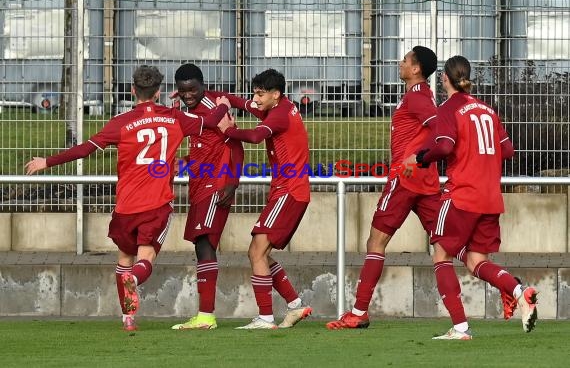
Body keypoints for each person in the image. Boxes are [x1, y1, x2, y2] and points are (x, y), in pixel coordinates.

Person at [25, 65, 231, 332]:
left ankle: (128, 318)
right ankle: (135, 277)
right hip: (156, 204)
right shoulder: (176, 118)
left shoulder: (120, 123)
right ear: (159, 92)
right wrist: (224, 105)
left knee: (124, 258)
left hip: (125, 206)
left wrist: (47, 161)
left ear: (133, 90)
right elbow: (212, 121)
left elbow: (85, 149)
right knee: (145, 259)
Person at [404, 55, 538, 339]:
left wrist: (421, 158)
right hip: (490, 198)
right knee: (477, 260)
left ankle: (460, 327)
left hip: (462, 195)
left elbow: (444, 146)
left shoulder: (449, 108)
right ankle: (519, 290)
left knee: (441, 255)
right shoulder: (488, 110)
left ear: (445, 80)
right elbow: (508, 150)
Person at [325, 46, 442, 330]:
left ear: (416, 69)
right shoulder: (421, 95)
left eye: (405, 59)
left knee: (375, 243)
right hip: (425, 181)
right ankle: (511, 288)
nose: (399, 62)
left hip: (404, 179)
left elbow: (440, 128)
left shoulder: (416, 97)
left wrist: (415, 159)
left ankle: (359, 312)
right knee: (446, 244)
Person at [217, 69, 312, 329]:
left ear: (275, 94)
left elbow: (257, 136)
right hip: (289, 191)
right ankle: (295, 305)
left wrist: (229, 130)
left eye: (260, 94)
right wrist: (221, 98)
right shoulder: (278, 107)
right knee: (261, 253)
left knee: (256, 251)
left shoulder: (279, 114)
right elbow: (242, 103)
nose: (255, 99)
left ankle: (266, 317)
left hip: (289, 192)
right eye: (255, 93)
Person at [168, 63, 244, 330]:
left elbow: (235, 144)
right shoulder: (194, 110)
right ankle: (205, 315)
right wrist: (186, 162)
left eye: (193, 89)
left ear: (203, 86)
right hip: (200, 186)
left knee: (204, 244)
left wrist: (233, 182)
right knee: (202, 246)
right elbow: (207, 147)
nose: (188, 94)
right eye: (183, 90)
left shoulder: (212, 108)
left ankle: (206, 316)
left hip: (216, 185)